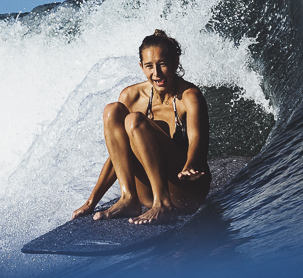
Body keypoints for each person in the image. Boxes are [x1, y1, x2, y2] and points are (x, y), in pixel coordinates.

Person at [71, 30, 211, 225]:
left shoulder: (189, 96)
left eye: (162, 64)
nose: (156, 73)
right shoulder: (131, 96)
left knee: (134, 120)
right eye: (149, 66)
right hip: (148, 195)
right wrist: (92, 201)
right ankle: (128, 198)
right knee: (113, 111)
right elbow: (118, 156)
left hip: (186, 192)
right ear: (141, 67)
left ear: (175, 62)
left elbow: (198, 139)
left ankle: (163, 205)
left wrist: (191, 165)